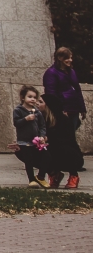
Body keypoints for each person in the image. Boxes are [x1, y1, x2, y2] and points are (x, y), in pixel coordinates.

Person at [43, 47, 85, 189]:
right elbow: (51, 93)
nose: (70, 60)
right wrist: (60, 110)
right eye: (67, 57)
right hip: (62, 110)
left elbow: (77, 89)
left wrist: (82, 108)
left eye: (71, 57)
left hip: (73, 108)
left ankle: (73, 167)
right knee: (60, 140)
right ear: (60, 58)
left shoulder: (71, 71)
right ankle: (58, 170)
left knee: (69, 139)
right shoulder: (51, 73)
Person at [12, 86, 56, 188]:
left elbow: (42, 126)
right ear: (23, 98)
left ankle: (40, 176)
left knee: (47, 157)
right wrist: (26, 119)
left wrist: (42, 136)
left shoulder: (37, 112)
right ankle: (31, 180)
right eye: (30, 96)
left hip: (36, 142)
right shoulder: (18, 110)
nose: (32, 99)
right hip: (24, 141)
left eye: (34, 97)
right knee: (29, 160)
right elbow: (16, 123)